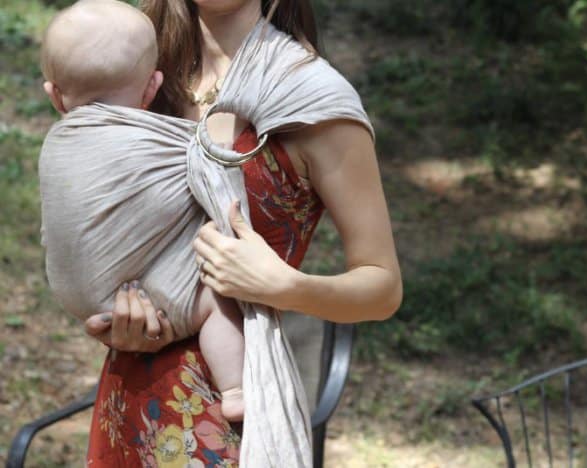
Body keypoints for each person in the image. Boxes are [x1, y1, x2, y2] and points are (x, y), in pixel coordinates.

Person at [80, 0, 402, 465]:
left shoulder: (311, 98)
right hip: (127, 400)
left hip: (233, 420)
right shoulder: (135, 73)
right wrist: (119, 316)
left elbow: (382, 286)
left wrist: (286, 287)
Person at [39, 0, 246, 422]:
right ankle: (237, 388)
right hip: (157, 303)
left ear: (54, 95)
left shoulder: (56, 145)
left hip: (82, 298)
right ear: (152, 88)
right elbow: (211, 158)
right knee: (214, 301)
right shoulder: (168, 139)